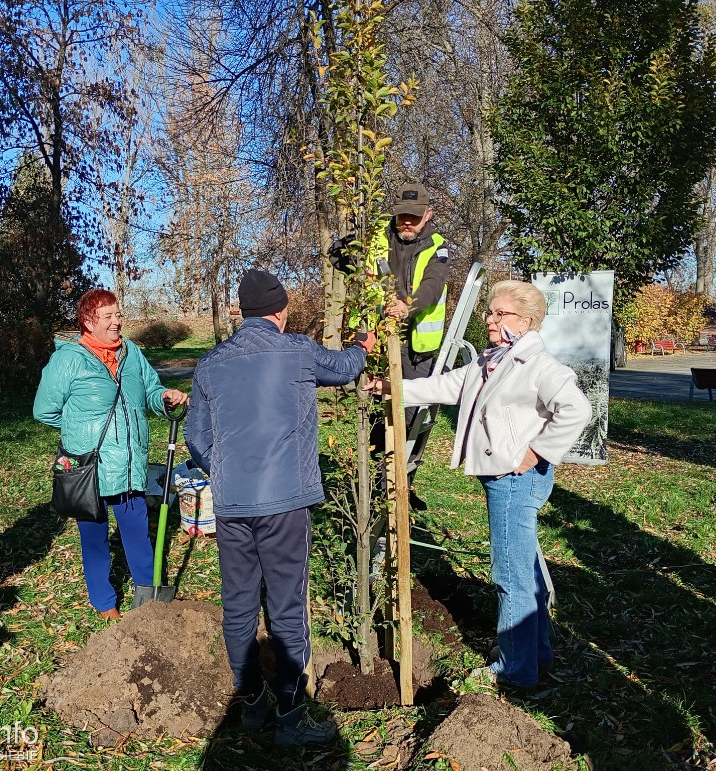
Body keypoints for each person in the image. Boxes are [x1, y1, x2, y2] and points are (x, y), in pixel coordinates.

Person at [184, 269, 375, 745]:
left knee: (239, 603)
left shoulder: (210, 363)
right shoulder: (298, 350)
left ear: (242, 312)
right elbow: (345, 368)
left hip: (232, 506)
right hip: (286, 504)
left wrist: (224, 472)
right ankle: (291, 715)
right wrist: (364, 344)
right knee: (288, 605)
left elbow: (196, 438)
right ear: (280, 309)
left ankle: (250, 704)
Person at [368, 280, 590, 688]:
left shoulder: (538, 366)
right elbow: (446, 386)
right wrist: (391, 388)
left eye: (499, 313)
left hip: (515, 480)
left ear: (525, 321)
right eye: (489, 312)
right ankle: (536, 652)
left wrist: (537, 452)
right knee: (525, 570)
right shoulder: (493, 360)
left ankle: (515, 669)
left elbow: (577, 409)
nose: (490, 319)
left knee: (511, 573)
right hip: (505, 478)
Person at [34, 289, 188, 620]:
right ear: (88, 322)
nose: (117, 322)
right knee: (94, 539)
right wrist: (79, 429)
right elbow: (44, 410)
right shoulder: (67, 360)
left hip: (130, 463)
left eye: (119, 315)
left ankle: (150, 598)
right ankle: (104, 602)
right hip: (89, 468)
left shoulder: (131, 353)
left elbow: (150, 390)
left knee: (137, 534)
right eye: (109, 317)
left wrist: (164, 397)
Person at [370, 182, 451, 511]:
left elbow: (433, 285)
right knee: (381, 416)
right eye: (402, 215)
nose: (407, 222)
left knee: (413, 420)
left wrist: (409, 305)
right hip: (380, 343)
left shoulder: (438, 246)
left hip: (418, 347)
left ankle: (403, 485)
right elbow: (345, 259)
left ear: (427, 215)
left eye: (414, 217)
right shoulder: (376, 236)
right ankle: (378, 489)